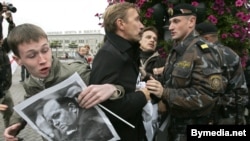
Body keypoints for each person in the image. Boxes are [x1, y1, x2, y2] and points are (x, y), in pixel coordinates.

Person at [4, 23, 125, 141]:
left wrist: (113, 89)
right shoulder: (31, 83)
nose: (42, 60)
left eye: (45, 50)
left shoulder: (77, 72)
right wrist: (16, 123)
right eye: (31, 55)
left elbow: (123, 90)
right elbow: (29, 100)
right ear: (18, 60)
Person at [144, 3, 238, 141]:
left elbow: (207, 96)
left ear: (191, 22)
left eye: (176, 21)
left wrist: (165, 93)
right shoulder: (176, 51)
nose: (170, 27)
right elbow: (171, 82)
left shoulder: (203, 51)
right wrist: (146, 77)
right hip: (174, 128)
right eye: (170, 23)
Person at [89, 2, 153, 141]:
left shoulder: (126, 52)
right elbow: (104, 109)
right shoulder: (109, 55)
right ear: (121, 24)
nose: (142, 25)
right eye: (136, 19)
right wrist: (142, 96)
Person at [195, 21, 249, 125]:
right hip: (229, 116)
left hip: (210, 116)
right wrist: (240, 118)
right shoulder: (231, 55)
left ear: (206, 39)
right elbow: (241, 90)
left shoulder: (202, 56)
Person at [138, 26, 166, 141]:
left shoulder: (162, 61)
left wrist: (162, 100)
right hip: (134, 106)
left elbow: (166, 83)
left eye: (155, 39)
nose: (152, 40)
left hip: (153, 108)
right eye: (148, 37)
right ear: (139, 40)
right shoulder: (130, 57)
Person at [42, 97, 114, 141]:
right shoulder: (72, 128)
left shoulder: (91, 121)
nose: (55, 123)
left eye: (56, 115)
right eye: (51, 121)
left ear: (72, 108)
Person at [0, 3, 15, 128]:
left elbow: (11, 38)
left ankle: (9, 134)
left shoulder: (2, 48)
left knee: (9, 112)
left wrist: (10, 22)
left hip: (5, 90)